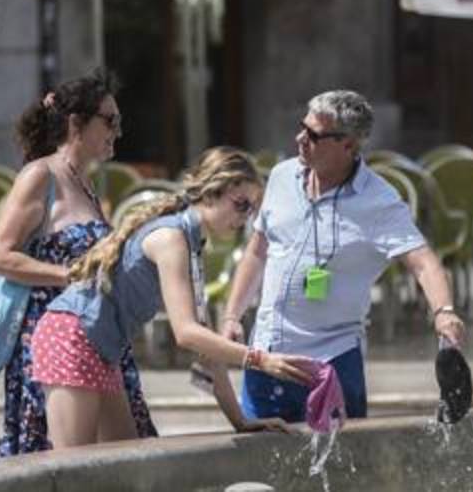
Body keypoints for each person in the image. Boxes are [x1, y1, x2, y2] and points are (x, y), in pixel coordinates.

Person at [36, 146, 312, 448]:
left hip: (100, 347)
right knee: (75, 469)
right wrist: (259, 360)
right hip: (72, 338)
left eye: (251, 210)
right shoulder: (172, 238)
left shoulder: (191, 242)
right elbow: (186, 333)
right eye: (241, 205)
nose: (245, 218)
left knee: (124, 467)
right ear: (212, 192)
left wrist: (241, 422)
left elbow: (206, 348)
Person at [219, 90, 466, 423]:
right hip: (265, 356)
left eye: (313, 135)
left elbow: (423, 261)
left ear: (348, 145)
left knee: (341, 472)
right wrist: (232, 316)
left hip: (331, 361)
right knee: (259, 471)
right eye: (301, 127)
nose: (299, 138)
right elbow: (257, 251)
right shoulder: (281, 176)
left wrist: (444, 312)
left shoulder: (379, 201)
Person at [0, 68, 154, 456]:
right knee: (70, 464)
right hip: (53, 338)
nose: (118, 131)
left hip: (99, 335)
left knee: (126, 459)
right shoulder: (40, 175)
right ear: (77, 123)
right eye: (110, 121)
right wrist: (68, 275)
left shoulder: (85, 184)